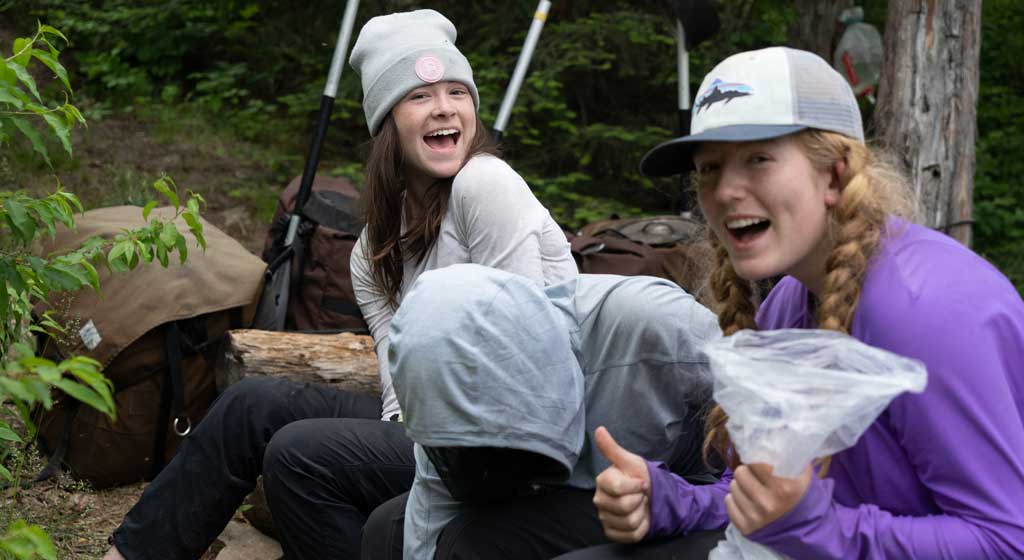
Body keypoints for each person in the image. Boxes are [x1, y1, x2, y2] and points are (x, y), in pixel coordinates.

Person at [103, 9, 576, 560]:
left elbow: (525, 352)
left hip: (518, 441)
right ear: (386, 123)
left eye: (457, 92)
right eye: (419, 96)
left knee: (298, 454)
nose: (445, 107)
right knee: (252, 405)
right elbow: (400, 385)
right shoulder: (373, 249)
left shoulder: (485, 184)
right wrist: (392, 440)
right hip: (436, 427)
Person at [565, 46, 1024, 559]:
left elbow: (1006, 541)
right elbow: (767, 499)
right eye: (710, 167)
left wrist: (816, 528)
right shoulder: (788, 301)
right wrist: (666, 501)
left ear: (835, 175)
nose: (725, 191)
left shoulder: (931, 311)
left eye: (758, 159)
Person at [363, 263, 721, 560]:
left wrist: (677, 501)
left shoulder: (652, 322)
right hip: (596, 495)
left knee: (475, 543)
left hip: (690, 495)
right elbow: (429, 523)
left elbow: (758, 464)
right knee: (388, 528)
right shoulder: (444, 402)